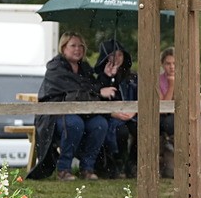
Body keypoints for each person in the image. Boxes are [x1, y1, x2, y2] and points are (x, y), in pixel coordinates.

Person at [34, 32, 117, 181]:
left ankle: (87, 168)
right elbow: (73, 93)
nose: (77, 49)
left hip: (83, 113)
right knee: (74, 124)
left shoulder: (84, 67)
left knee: (100, 124)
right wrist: (98, 92)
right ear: (63, 48)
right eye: (73, 45)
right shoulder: (55, 68)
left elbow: (93, 87)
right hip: (55, 116)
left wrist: (105, 76)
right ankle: (64, 169)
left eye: (81, 46)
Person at [95, 39, 138, 178]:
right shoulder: (99, 79)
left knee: (141, 130)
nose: (117, 58)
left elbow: (140, 96)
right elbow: (97, 100)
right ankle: (117, 164)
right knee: (121, 132)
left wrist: (133, 111)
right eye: (113, 55)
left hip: (132, 116)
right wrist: (112, 113)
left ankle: (133, 164)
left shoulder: (132, 77)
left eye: (120, 54)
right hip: (111, 118)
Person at [159, 47, 176, 179]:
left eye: (174, 63)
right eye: (168, 63)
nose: (171, 67)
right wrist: (171, 86)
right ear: (163, 65)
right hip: (163, 115)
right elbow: (164, 107)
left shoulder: (187, 78)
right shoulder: (158, 81)